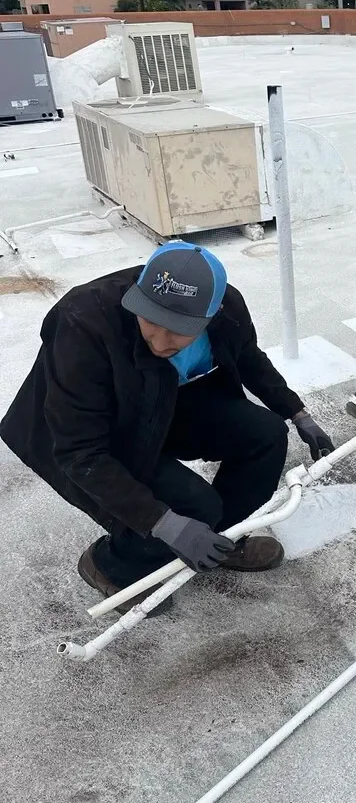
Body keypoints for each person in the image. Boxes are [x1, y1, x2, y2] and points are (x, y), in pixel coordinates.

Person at [1, 242, 334, 614]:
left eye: (179, 331)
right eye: (150, 321)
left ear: (213, 314)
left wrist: (296, 412)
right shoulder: (83, 321)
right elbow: (79, 451)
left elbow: (249, 357)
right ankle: (113, 566)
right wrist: (164, 523)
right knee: (193, 505)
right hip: (82, 432)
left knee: (267, 434)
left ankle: (220, 541)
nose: (160, 342)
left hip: (158, 403)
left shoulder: (229, 308)